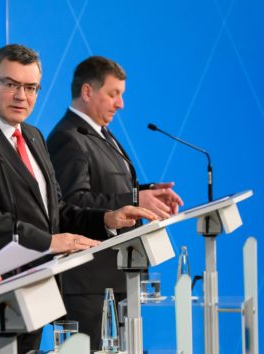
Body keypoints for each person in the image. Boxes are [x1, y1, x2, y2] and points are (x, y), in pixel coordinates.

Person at [0, 45, 157, 354]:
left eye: (30, 87)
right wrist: (49, 242)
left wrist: (105, 218)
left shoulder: (33, 137)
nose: (21, 96)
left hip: (33, 297)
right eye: (11, 84)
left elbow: (56, 212)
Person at [47, 55, 183, 349]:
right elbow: (71, 202)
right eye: (114, 94)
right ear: (87, 91)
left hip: (117, 277)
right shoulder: (67, 137)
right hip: (87, 284)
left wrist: (146, 193)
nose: (120, 104)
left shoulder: (99, 134)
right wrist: (134, 197)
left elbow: (107, 189)